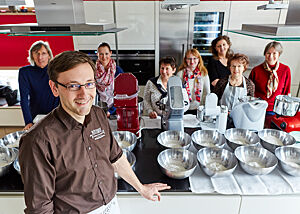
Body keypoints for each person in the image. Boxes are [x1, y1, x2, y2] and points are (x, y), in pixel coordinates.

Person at [19, 51, 170, 213]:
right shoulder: (38, 141)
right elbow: (40, 209)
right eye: (73, 86)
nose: (84, 94)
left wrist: (141, 188)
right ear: (54, 88)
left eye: (89, 84)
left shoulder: (98, 115)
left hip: (112, 206)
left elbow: (116, 158)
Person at [18, 40, 59, 130]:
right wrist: (28, 121)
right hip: (35, 116)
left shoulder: (57, 70)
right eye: (36, 53)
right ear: (32, 56)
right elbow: (24, 98)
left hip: (56, 115)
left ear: (49, 55)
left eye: (43, 53)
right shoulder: (25, 72)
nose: (40, 57)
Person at [249, 41, 291, 114]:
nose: (271, 56)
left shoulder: (285, 70)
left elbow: (286, 93)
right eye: (268, 53)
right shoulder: (256, 70)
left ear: (279, 54)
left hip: (276, 110)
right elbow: (250, 91)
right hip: (257, 108)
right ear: (265, 54)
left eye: (274, 53)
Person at [177, 48, 210, 114]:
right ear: (185, 60)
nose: (192, 61)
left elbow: (207, 92)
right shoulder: (180, 74)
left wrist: (204, 108)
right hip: (184, 108)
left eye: (195, 58)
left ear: (199, 60)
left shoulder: (203, 73)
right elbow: (177, 94)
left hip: (199, 109)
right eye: (189, 59)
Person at [95, 42, 124, 117]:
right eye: (101, 54)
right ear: (97, 54)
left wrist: (110, 111)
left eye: (106, 54)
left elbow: (122, 94)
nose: (104, 57)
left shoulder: (118, 71)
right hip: (99, 108)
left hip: (116, 110)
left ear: (110, 53)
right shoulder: (93, 71)